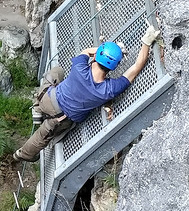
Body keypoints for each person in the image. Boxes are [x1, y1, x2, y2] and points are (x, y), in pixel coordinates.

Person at [13, 25, 160, 162]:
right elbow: (136, 67)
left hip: (48, 98)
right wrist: (146, 42)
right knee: (42, 135)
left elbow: (85, 52)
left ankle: (37, 108)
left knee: (56, 72)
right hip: (60, 118)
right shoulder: (108, 90)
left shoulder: (79, 67)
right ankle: (22, 154)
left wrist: (104, 50)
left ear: (96, 57)